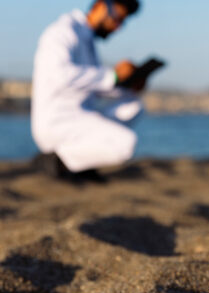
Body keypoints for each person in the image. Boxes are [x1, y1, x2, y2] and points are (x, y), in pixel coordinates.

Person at [31, 0, 144, 180]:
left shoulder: (87, 40)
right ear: (100, 7)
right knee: (125, 144)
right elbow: (60, 75)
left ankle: (83, 163)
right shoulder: (62, 32)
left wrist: (128, 84)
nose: (118, 27)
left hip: (80, 118)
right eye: (117, 19)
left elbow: (93, 86)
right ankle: (57, 161)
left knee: (132, 105)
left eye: (122, 22)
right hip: (57, 121)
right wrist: (113, 76)